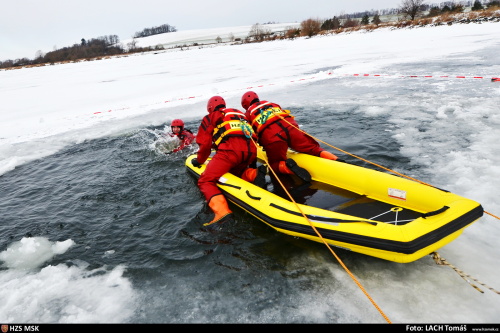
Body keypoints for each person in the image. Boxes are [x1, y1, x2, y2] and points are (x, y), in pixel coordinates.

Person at [191, 96, 266, 227]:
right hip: (251, 151)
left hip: (230, 152)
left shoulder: (211, 117)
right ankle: (254, 173)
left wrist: (199, 160)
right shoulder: (238, 113)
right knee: (236, 172)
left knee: (205, 181)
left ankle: (222, 212)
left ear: (210, 108)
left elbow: (204, 144)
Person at [241, 91, 343, 182]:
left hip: (273, 138)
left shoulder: (248, 114)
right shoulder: (272, 104)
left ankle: (287, 166)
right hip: (292, 129)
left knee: (274, 164)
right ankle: (335, 159)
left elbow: (251, 135)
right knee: (313, 148)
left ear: (245, 104)